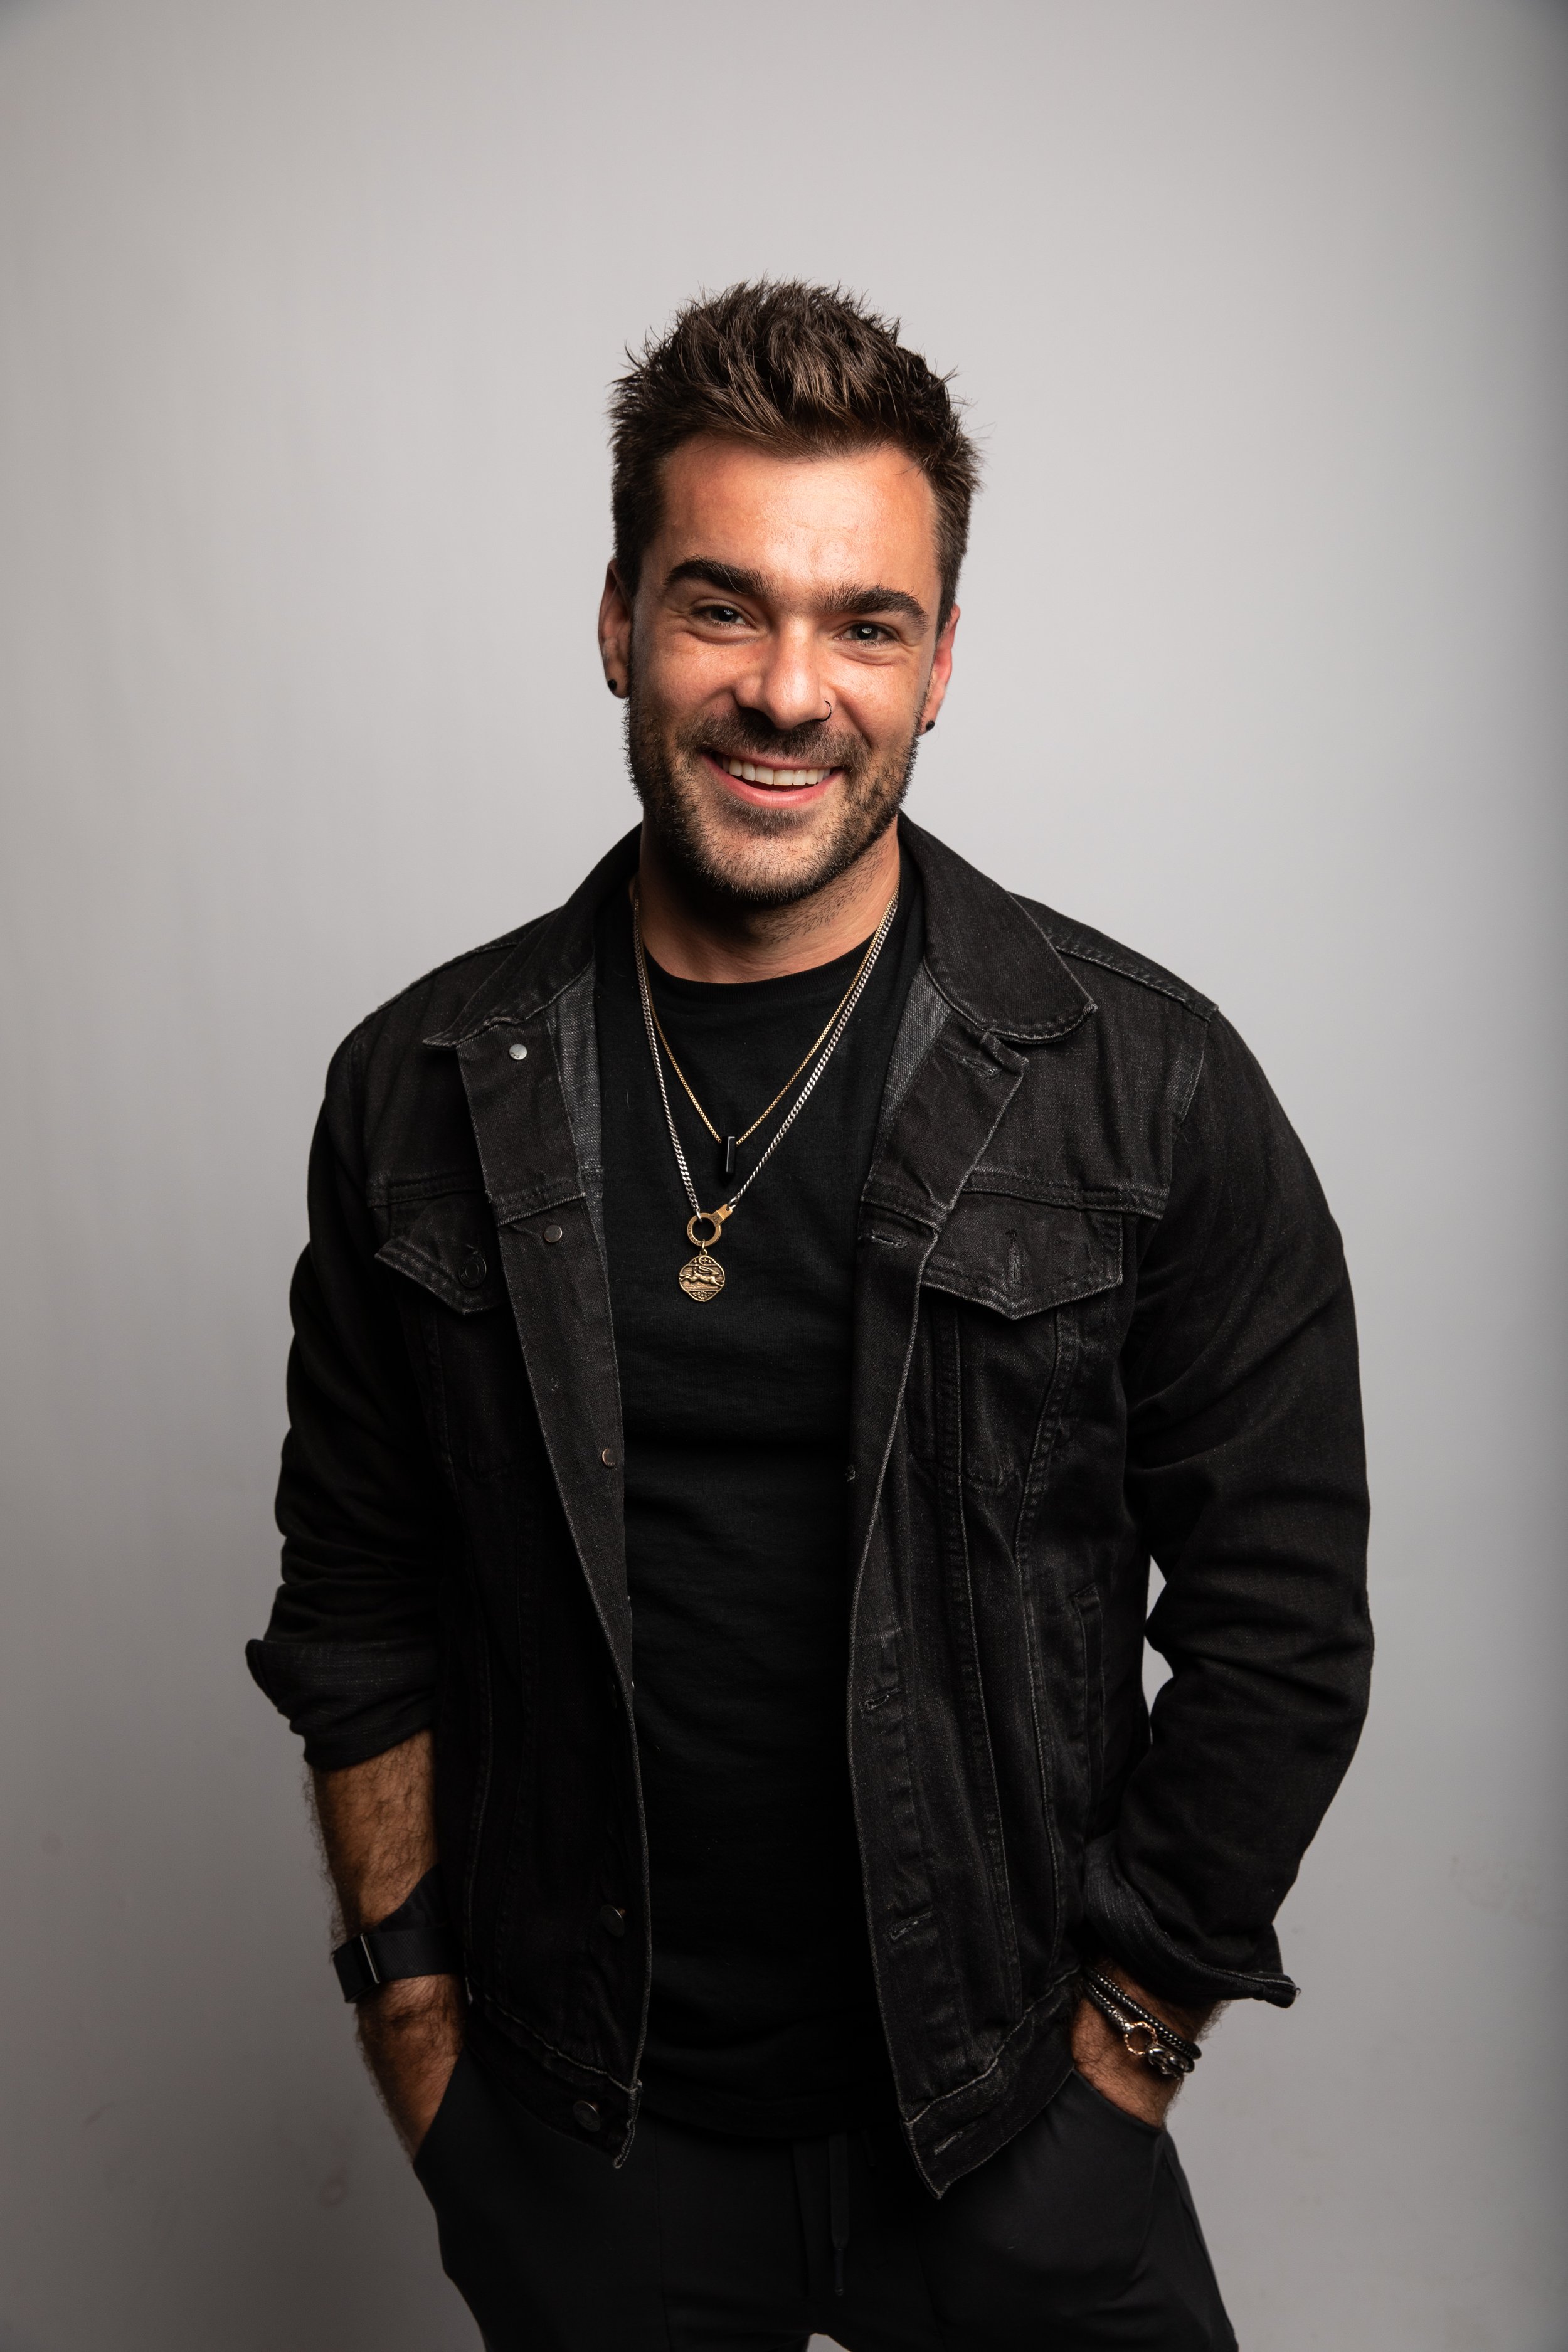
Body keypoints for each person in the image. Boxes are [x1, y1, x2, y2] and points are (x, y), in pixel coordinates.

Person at [246, 281, 1371, 2351]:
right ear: (614, 622)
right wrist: (419, 2047)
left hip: (1010, 2129)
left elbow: (1279, 1626)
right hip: (590, 2150)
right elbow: (359, 1596)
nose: (788, 689)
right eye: (720, 606)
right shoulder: (418, 1088)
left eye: (863, 622)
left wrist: (1117, 2082)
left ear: (940, 663)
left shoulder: (1142, 1084)